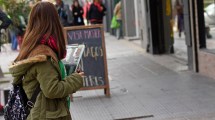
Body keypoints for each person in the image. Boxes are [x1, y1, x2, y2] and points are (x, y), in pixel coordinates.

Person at [9, 2, 84, 119]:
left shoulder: (35, 46)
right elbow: (52, 90)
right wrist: (76, 79)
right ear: (53, 21)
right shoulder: (42, 55)